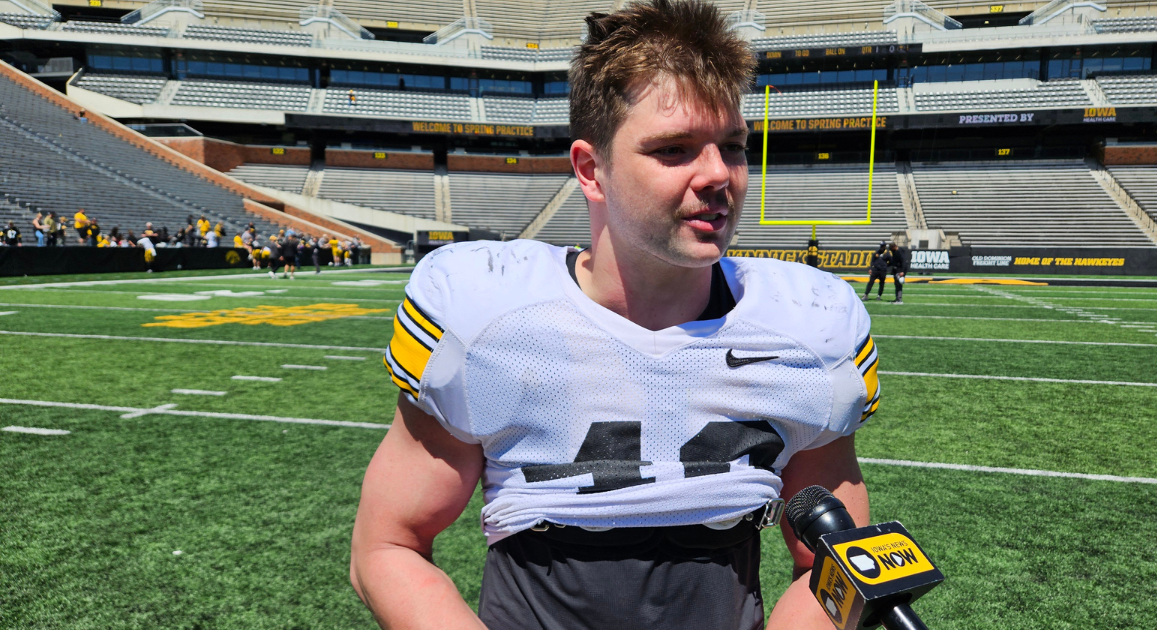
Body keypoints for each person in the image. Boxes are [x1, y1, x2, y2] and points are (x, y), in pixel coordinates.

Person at [349, 3, 877, 629]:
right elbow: (388, 546)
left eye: (733, 146)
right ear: (590, 170)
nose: (719, 174)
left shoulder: (809, 328)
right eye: (674, 149)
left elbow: (838, 564)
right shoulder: (487, 318)